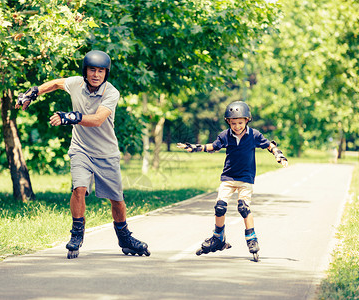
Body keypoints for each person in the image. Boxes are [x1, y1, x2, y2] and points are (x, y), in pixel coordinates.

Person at [15, 50, 150, 259]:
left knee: (117, 200)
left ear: (106, 73)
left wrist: (69, 117)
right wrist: (32, 92)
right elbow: (56, 84)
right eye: (92, 70)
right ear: (85, 71)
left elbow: (97, 119)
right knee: (79, 188)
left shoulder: (111, 93)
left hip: (106, 153)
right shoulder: (76, 83)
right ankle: (77, 234)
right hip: (80, 149)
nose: (96, 75)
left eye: (101, 71)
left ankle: (124, 237)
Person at [177, 101, 288, 261]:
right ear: (228, 121)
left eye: (240, 123)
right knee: (220, 206)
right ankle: (218, 237)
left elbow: (269, 145)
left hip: (246, 178)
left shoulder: (254, 135)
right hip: (228, 177)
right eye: (233, 123)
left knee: (243, 207)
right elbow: (213, 147)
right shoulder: (225, 135)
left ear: (247, 120)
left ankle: (252, 239)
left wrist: (279, 155)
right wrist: (196, 147)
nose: (237, 126)